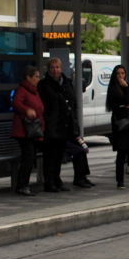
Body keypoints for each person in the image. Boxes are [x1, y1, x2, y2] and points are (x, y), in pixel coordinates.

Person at [37, 57, 77, 192]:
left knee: (60, 155)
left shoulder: (67, 83)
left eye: (57, 67)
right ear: (48, 69)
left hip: (64, 124)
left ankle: (57, 179)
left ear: (61, 68)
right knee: (50, 155)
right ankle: (49, 182)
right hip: (51, 125)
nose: (55, 70)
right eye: (53, 68)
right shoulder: (44, 85)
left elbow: (73, 102)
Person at [106, 64, 129, 189]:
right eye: (118, 74)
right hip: (121, 124)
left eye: (122, 73)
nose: (121, 76)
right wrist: (125, 90)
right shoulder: (113, 89)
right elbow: (125, 101)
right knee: (121, 153)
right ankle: (120, 180)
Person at [11, 65, 44, 196]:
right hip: (23, 130)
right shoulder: (22, 90)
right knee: (28, 157)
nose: (38, 79)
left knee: (30, 157)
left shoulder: (34, 91)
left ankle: (24, 185)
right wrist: (27, 110)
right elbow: (16, 103)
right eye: (36, 76)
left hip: (32, 129)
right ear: (28, 77)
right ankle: (22, 185)